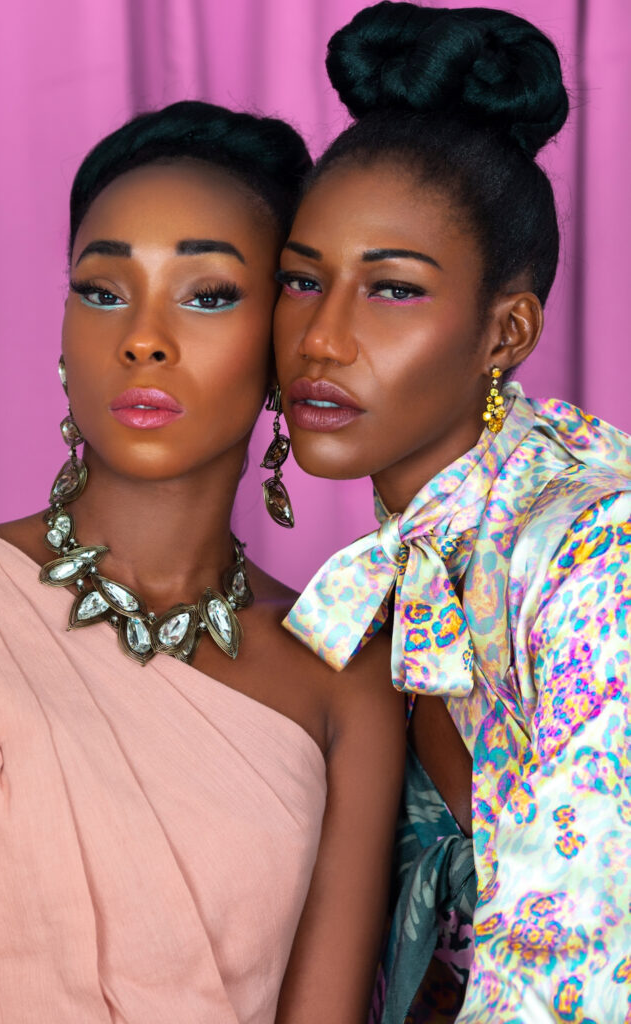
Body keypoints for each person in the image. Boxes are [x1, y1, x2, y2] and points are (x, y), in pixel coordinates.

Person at [0, 100, 405, 1024]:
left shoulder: (343, 672)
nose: (142, 337)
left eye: (208, 294)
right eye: (102, 291)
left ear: (287, 344)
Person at [272, 4, 631, 1023]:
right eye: (302, 280)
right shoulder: (399, 572)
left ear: (503, 331)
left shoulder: (594, 550)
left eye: (390, 290)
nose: (321, 339)